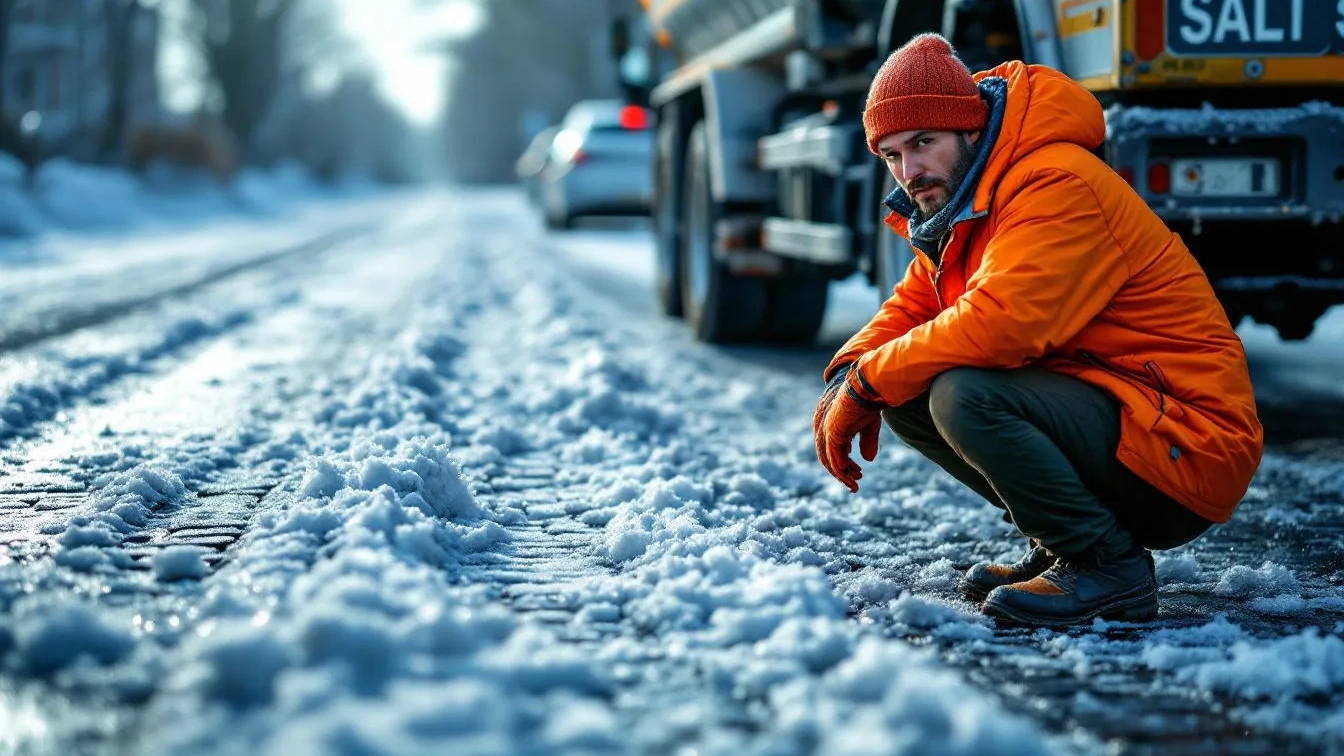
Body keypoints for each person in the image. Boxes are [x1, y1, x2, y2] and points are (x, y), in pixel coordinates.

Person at [811, 33, 1263, 627]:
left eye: (924, 143)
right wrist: (849, 374)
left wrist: (870, 382)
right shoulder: (967, 199)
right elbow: (912, 304)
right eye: (892, 155)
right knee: (909, 388)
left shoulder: (1054, 183)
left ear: (969, 131)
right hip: (1130, 414)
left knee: (960, 393)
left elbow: (1004, 324)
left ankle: (1106, 566)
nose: (910, 171)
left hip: (1190, 442)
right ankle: (1062, 544)